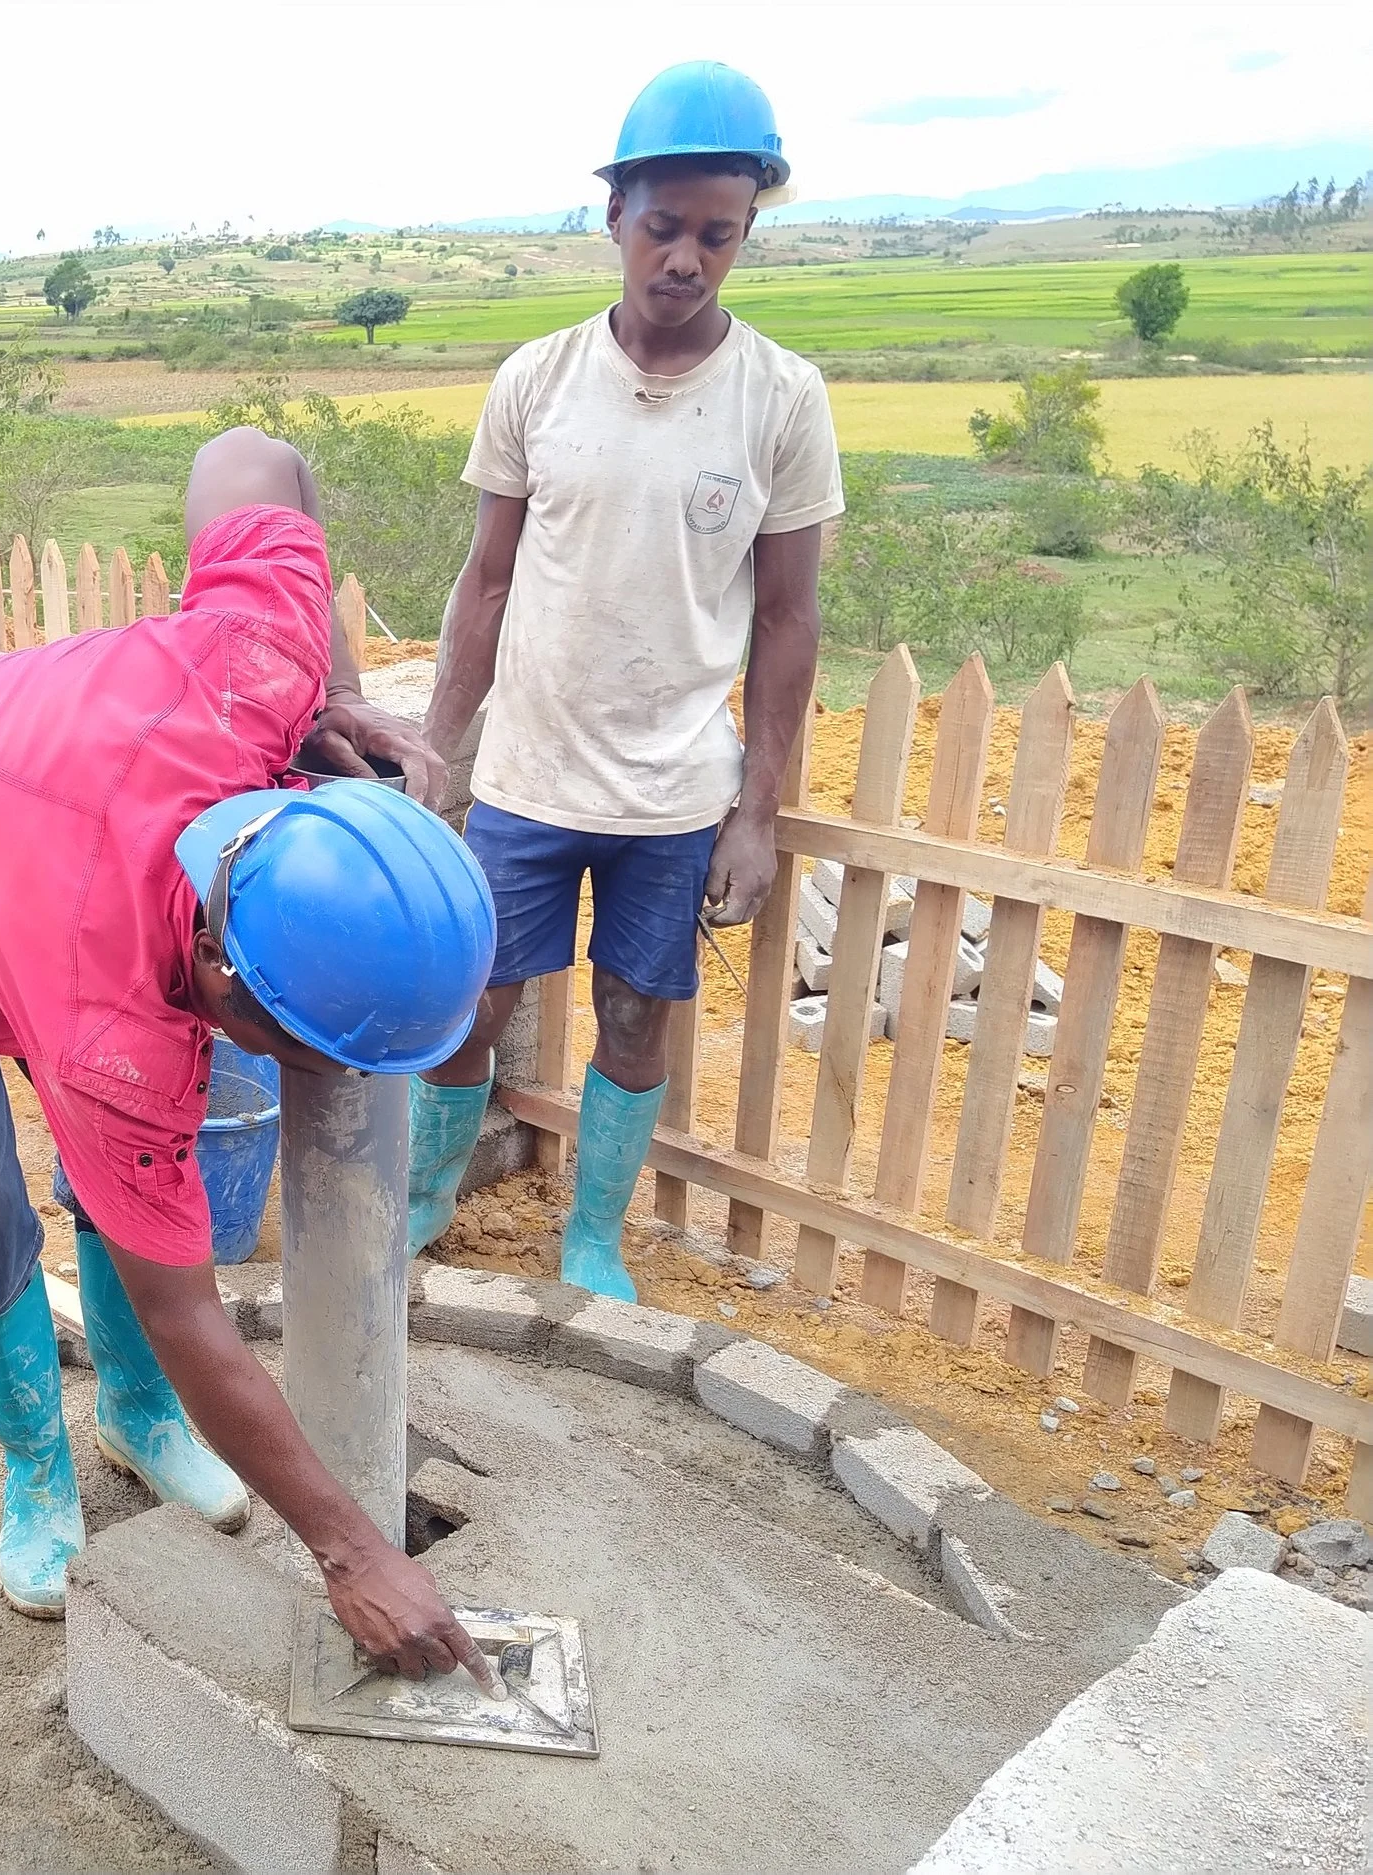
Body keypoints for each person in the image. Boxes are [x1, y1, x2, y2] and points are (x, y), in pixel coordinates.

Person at [0, 424, 502, 1690]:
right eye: (312, 1051)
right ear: (223, 974)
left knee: (126, 1194)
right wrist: (349, 1552)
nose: (327, 1084)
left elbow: (249, 451)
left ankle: (137, 1415)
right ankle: (34, 1469)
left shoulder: (257, 661)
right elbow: (189, 1306)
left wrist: (324, 685)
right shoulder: (116, 1031)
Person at [409, 60, 841, 1299]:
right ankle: (429, 1202)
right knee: (470, 1008)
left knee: (637, 1015)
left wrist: (755, 813)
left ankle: (591, 1236)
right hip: (528, 775)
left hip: (671, 793)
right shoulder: (536, 381)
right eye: (662, 228)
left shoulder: (779, 399)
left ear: (746, 233)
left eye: (717, 234)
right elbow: (482, 587)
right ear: (613, 217)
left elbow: (790, 620)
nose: (684, 259)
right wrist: (440, 749)